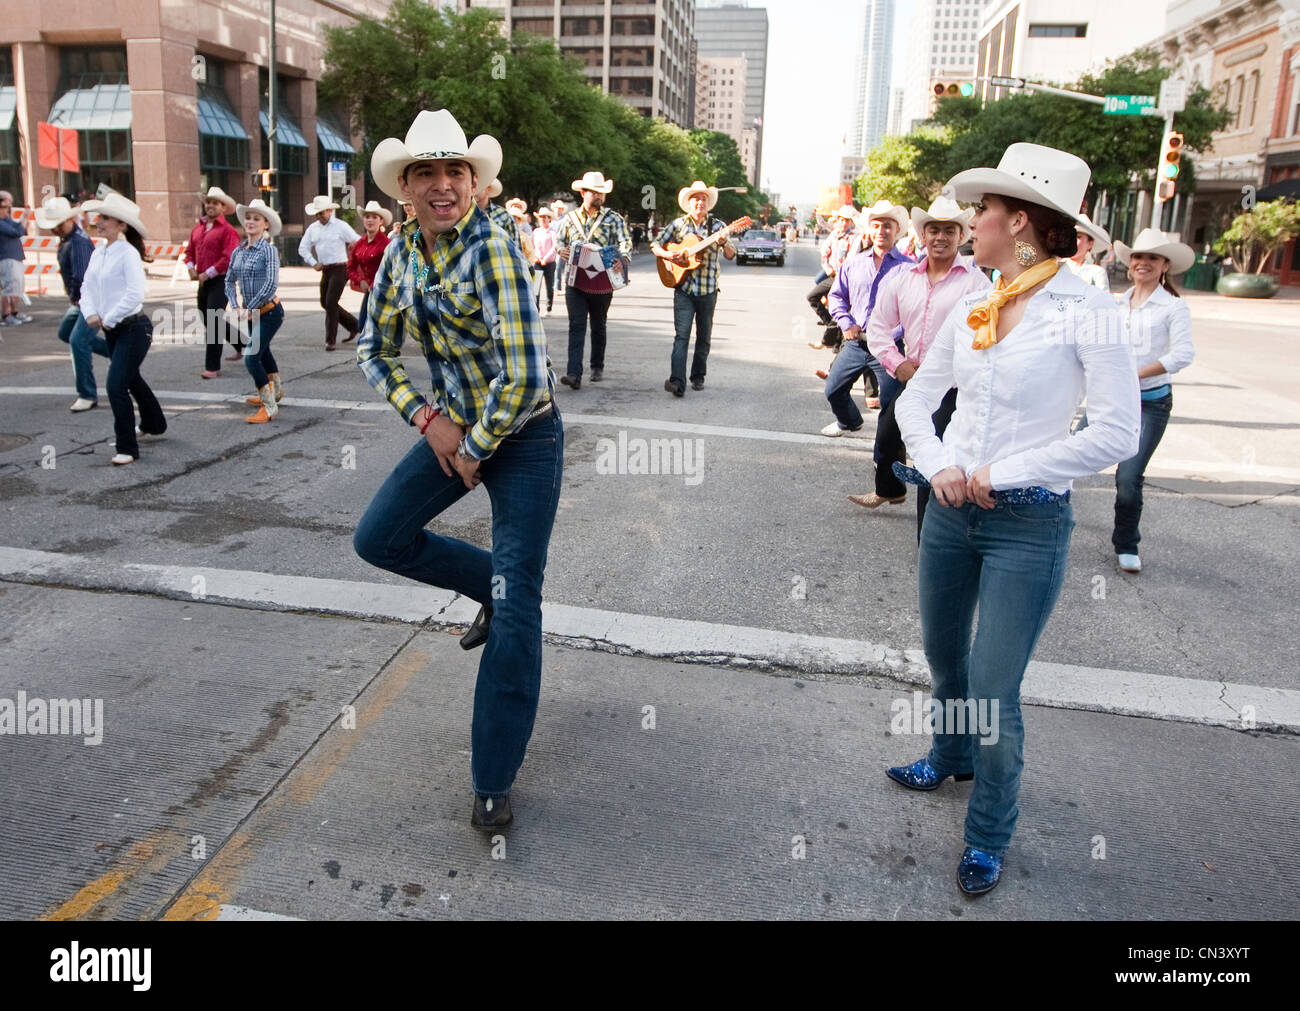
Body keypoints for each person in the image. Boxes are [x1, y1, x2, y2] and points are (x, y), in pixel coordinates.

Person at [890, 143, 1140, 896]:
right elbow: (914, 397)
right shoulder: (980, 302)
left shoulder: (1088, 309)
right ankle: (951, 755)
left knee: (996, 688)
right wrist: (940, 466)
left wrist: (1002, 472)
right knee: (945, 659)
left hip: (1027, 523)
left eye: (982, 212)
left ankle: (989, 831)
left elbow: (1117, 432)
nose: (970, 223)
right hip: (949, 513)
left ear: (1020, 221)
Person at [354, 109, 562, 832]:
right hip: (452, 428)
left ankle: (492, 777)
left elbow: (528, 379)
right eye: (425, 174)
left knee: (520, 606)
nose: (442, 186)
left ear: (475, 181)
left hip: (524, 437)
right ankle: (490, 588)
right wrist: (428, 419)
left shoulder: (496, 248)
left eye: (455, 172)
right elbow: (372, 351)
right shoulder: (401, 251)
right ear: (404, 187)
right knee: (378, 538)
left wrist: (474, 446)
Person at [854, 197, 990, 531]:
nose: (940, 237)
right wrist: (896, 364)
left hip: (953, 389)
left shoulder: (977, 283)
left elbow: (986, 338)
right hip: (910, 377)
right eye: (933, 230)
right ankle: (890, 490)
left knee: (935, 457)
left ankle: (929, 535)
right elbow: (879, 328)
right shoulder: (903, 278)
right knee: (887, 437)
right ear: (922, 236)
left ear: (960, 236)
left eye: (948, 230)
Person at [1108, 228, 1196, 574]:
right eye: (1138, 257)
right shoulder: (1117, 303)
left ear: (1164, 266)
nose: (1143, 262)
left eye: (1152, 258)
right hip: (1113, 400)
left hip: (1151, 403)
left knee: (1128, 477)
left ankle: (1126, 544)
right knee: (1070, 462)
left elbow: (1184, 354)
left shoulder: (1173, 307)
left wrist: (1137, 374)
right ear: (1130, 263)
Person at [78, 192, 167, 465]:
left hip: (134, 328)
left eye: (105, 217)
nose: (98, 221)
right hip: (113, 330)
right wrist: (90, 312)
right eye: (98, 217)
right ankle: (154, 422)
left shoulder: (127, 253)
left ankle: (127, 447)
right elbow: (86, 288)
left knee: (116, 385)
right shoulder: (99, 252)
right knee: (129, 378)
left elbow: (135, 293)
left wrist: (109, 318)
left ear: (122, 225)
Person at [821, 200, 912, 436]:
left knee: (892, 404)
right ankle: (849, 421)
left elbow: (914, 309)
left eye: (887, 225)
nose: (881, 230)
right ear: (869, 229)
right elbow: (836, 296)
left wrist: (891, 335)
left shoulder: (909, 269)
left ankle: (886, 457)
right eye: (877, 225)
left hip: (889, 348)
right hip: (856, 343)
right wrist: (846, 322)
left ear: (897, 230)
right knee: (833, 389)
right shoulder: (854, 263)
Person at [651, 180, 737, 396]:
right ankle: (677, 382)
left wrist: (724, 242)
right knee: (681, 336)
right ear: (689, 203)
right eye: (696, 198)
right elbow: (655, 245)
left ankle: (698, 377)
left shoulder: (717, 227)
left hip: (708, 290)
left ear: (708, 203)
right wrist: (668, 255)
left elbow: (730, 255)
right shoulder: (678, 225)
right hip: (684, 288)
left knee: (704, 336)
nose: (700, 202)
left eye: (704, 199)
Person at [554, 171, 631, 389]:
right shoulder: (569, 219)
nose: (599, 196)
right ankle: (574, 373)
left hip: (602, 280)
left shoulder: (614, 218)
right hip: (575, 280)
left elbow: (625, 242)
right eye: (595, 193)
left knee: (598, 324)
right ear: (583, 193)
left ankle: (597, 365)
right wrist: (562, 251)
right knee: (576, 325)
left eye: (602, 193)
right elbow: (559, 241)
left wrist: (622, 258)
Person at [36, 196, 108, 411]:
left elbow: (84, 277)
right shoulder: (71, 238)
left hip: (88, 300)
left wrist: (81, 300)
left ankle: (87, 393)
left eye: (59, 224)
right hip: (80, 301)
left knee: (77, 341)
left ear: (69, 220)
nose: (56, 229)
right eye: (54, 225)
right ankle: (117, 352)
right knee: (67, 334)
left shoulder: (77, 241)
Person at [226, 199, 285, 424]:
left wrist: (249, 308)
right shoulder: (238, 251)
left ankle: (269, 407)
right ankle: (275, 393)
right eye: (248, 218)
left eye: (256, 218)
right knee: (263, 352)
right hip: (252, 314)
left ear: (266, 224)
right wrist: (234, 305)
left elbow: (271, 283)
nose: (250, 222)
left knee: (251, 359)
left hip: (270, 312)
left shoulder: (268, 251)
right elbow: (229, 281)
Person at [184, 186, 242, 378]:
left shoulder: (228, 231)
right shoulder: (198, 229)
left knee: (213, 320)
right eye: (208, 202)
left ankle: (212, 366)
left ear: (223, 208)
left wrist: (207, 273)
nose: (210, 205)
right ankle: (243, 343)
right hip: (203, 280)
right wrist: (191, 267)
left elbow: (228, 257)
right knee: (209, 318)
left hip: (221, 280)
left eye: (215, 203)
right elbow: (189, 251)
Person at [299, 195, 359, 350]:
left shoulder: (341, 226)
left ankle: (330, 340)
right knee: (324, 302)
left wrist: (355, 256)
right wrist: (313, 262)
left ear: (330, 210)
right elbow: (303, 248)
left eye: (322, 212)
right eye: (317, 213)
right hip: (325, 269)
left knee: (331, 302)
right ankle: (355, 325)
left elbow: (357, 240)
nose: (320, 216)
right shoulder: (313, 228)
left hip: (340, 268)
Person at [806, 205, 856, 347]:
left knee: (840, 308)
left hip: (846, 280)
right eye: (842, 220)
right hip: (833, 277)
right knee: (812, 297)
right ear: (837, 220)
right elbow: (825, 253)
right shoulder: (834, 234)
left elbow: (853, 260)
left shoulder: (853, 238)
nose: (844, 223)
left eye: (847, 220)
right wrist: (827, 267)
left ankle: (835, 340)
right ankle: (830, 327)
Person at [347, 200, 392, 324]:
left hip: (384, 291)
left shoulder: (387, 244)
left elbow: (391, 269)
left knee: (371, 325)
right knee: (363, 325)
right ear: (363, 220)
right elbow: (350, 267)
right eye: (367, 217)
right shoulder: (360, 243)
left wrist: (373, 283)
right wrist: (360, 280)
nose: (370, 220)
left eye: (374, 217)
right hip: (369, 290)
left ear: (381, 221)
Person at [0, 190, 30, 327]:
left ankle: (14, 312)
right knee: (9, 288)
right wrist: (25, 218)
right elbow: (16, 231)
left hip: (15, 257)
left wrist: (24, 220)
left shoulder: (6, 220)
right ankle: (6, 314)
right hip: (6, 258)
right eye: (6, 206)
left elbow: (20, 229)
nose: (8, 209)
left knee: (17, 287)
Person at [1064, 212, 1111, 291]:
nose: (1072, 240)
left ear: (1090, 244)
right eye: (1070, 236)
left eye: (1078, 237)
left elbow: (1102, 300)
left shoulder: (1097, 273)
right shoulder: (1055, 266)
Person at [477, 179, 521, 248]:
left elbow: (516, 247)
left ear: (488, 189)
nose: (474, 189)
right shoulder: (462, 214)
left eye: (479, 186)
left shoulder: (504, 215)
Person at [531, 205, 558, 316]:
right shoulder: (536, 232)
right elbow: (531, 246)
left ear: (549, 219)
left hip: (549, 262)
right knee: (536, 285)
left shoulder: (553, 232)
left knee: (549, 285)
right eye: (541, 217)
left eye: (545, 217)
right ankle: (536, 308)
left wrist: (545, 259)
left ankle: (548, 307)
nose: (543, 219)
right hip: (537, 261)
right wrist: (535, 257)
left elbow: (555, 247)